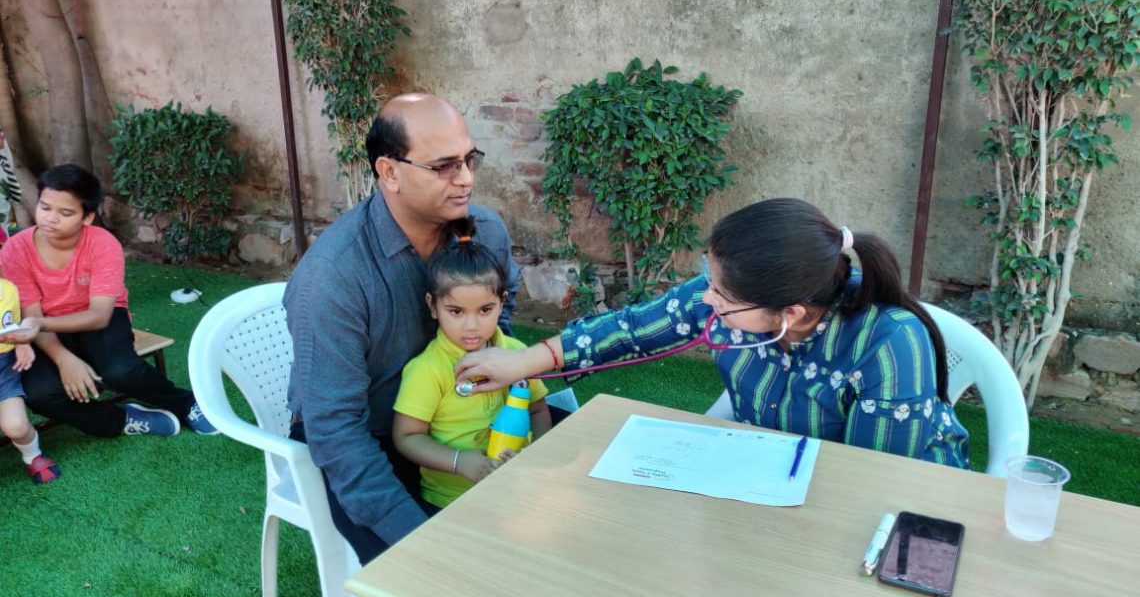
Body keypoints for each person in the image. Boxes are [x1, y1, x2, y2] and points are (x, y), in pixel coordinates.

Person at [457, 198, 971, 469]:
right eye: (709, 279)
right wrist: (523, 362)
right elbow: (630, 330)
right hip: (772, 474)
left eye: (722, 295)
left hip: (894, 499)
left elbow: (872, 479)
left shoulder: (889, 343)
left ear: (789, 313)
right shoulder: (733, 295)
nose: (707, 299)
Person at [284, 93, 521, 562]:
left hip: (463, 416)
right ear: (389, 172)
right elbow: (335, 431)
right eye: (444, 166)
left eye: (469, 159)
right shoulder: (334, 276)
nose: (466, 179)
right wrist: (423, 543)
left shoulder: (485, 233)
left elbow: (502, 325)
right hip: (368, 440)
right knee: (452, 566)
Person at [0, 164, 216, 439]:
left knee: (120, 371)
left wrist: (40, 325)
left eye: (65, 213)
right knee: (39, 393)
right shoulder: (16, 249)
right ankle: (121, 419)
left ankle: (185, 404)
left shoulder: (102, 244)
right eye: (45, 207)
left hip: (96, 319)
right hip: (45, 328)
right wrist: (64, 359)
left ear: (87, 217)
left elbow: (99, 315)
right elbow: (32, 314)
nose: (50, 218)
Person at [393, 217, 550, 511]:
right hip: (450, 502)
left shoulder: (518, 355)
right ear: (433, 306)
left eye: (485, 310)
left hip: (516, 490)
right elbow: (407, 437)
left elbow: (538, 409)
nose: (471, 326)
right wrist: (459, 461)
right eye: (456, 311)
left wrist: (535, 454)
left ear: (502, 302)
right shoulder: (427, 369)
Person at [0, 276, 61, 484]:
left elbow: (13, 326)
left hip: (4, 369)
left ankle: (32, 456)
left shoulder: (8, 290)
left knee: (16, 425)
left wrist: (22, 343)